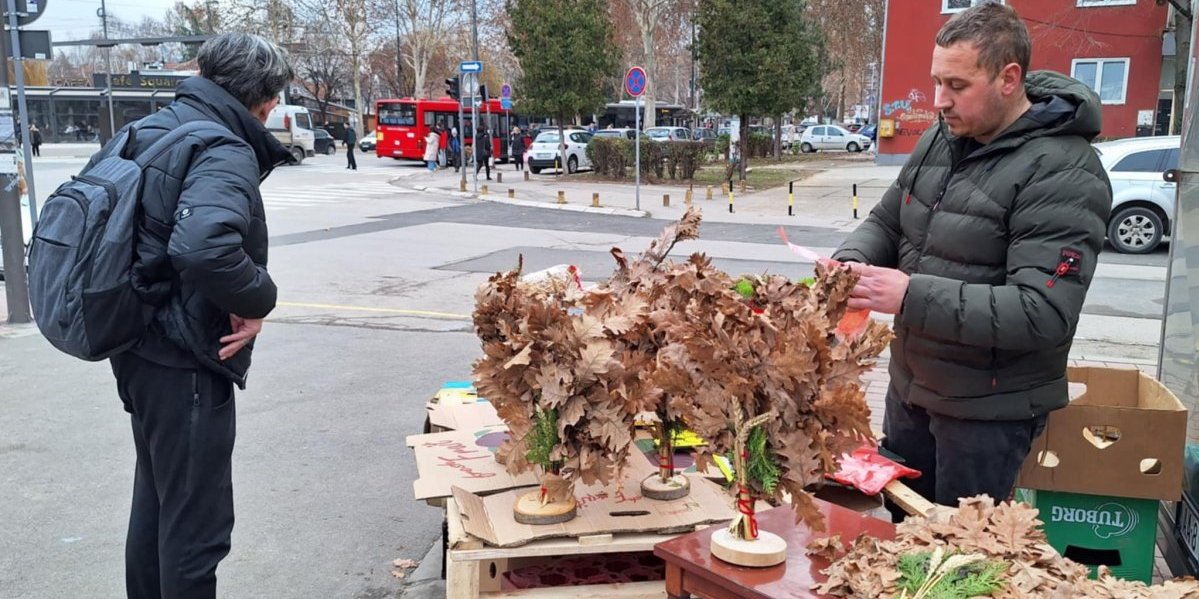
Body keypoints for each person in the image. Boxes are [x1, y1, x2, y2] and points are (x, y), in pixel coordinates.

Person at [830, 3, 1111, 518]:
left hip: (987, 417)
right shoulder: (943, 137)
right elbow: (889, 221)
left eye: (957, 86)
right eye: (937, 81)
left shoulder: (1064, 172)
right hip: (913, 393)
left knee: (961, 557)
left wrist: (909, 295)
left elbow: (1041, 313)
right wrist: (852, 260)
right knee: (904, 540)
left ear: (1009, 79)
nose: (939, 101)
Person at [94, 32, 294, 599]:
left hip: (134, 343)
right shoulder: (222, 146)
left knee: (157, 505)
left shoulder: (148, 129)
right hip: (184, 356)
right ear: (264, 98)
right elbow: (205, 246)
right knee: (195, 529)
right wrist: (257, 300)